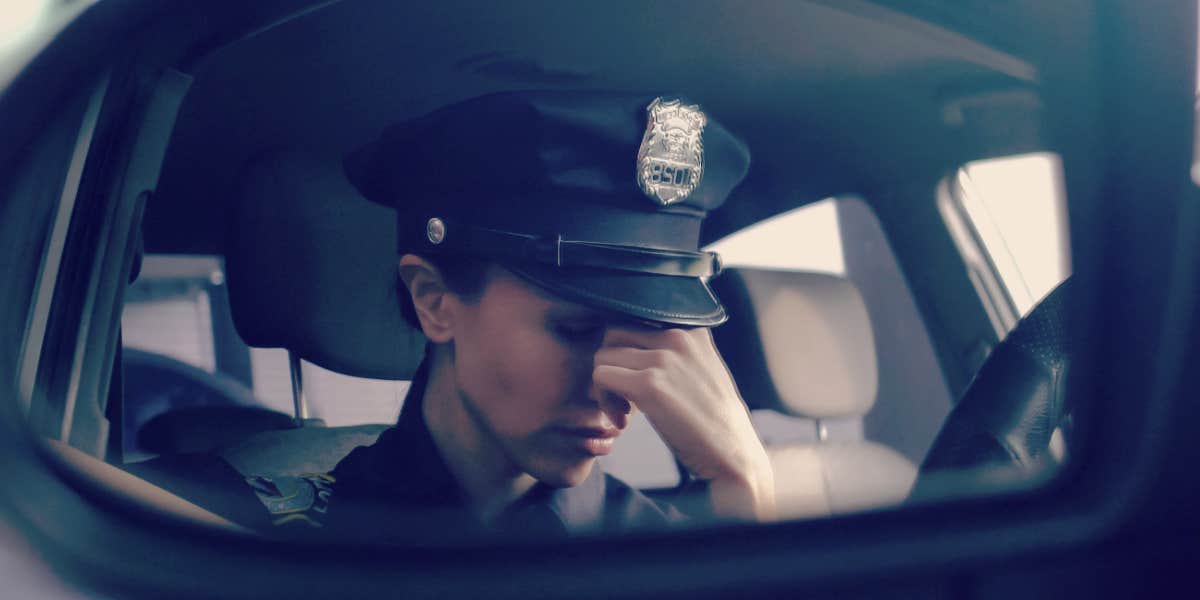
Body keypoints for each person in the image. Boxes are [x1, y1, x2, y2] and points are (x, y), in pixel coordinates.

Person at [263, 91, 774, 541]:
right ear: (434, 300)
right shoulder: (264, 539)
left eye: (650, 343)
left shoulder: (670, 554)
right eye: (576, 330)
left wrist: (744, 488)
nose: (617, 390)